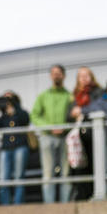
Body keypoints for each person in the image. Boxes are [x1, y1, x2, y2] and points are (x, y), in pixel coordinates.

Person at [31, 64, 72, 203]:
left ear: (64, 75)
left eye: (59, 73)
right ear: (50, 76)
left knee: (65, 173)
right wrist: (49, 128)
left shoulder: (69, 96)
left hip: (65, 137)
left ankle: (65, 204)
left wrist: (65, 128)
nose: (56, 75)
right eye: (53, 73)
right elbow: (35, 115)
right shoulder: (43, 96)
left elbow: (73, 116)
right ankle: (50, 205)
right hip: (47, 137)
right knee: (48, 173)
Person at [67, 66, 104, 200]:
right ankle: (83, 195)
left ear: (91, 76)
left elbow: (100, 106)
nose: (83, 78)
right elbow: (68, 115)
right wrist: (72, 113)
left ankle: (97, 193)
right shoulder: (75, 95)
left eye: (86, 75)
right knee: (81, 167)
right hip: (79, 138)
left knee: (95, 164)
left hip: (94, 136)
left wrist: (82, 110)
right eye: (80, 76)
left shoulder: (99, 92)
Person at [0, 91, 30, 205]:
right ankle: (5, 205)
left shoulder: (21, 112)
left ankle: (18, 205)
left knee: (19, 177)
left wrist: (15, 108)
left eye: (10, 98)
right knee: (3, 179)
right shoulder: (3, 116)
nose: (7, 101)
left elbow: (26, 120)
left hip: (20, 147)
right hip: (6, 149)